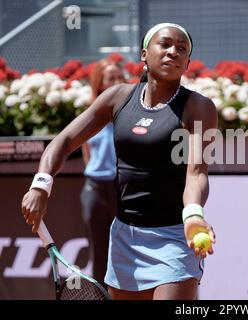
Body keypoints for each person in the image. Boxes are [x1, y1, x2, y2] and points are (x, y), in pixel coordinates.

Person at [21, 22, 217, 300]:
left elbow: (196, 172)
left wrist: (193, 214)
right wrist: (41, 185)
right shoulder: (117, 97)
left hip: (175, 237)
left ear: (186, 63)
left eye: (182, 49)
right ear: (144, 54)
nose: (173, 51)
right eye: (165, 44)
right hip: (126, 238)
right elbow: (63, 141)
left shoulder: (199, 107)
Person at [80, 58, 125, 288]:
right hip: (94, 190)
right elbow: (86, 153)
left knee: (124, 254)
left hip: (121, 190)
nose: (117, 82)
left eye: (120, 77)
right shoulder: (90, 115)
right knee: (99, 256)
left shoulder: (128, 114)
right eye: (111, 78)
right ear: (99, 84)